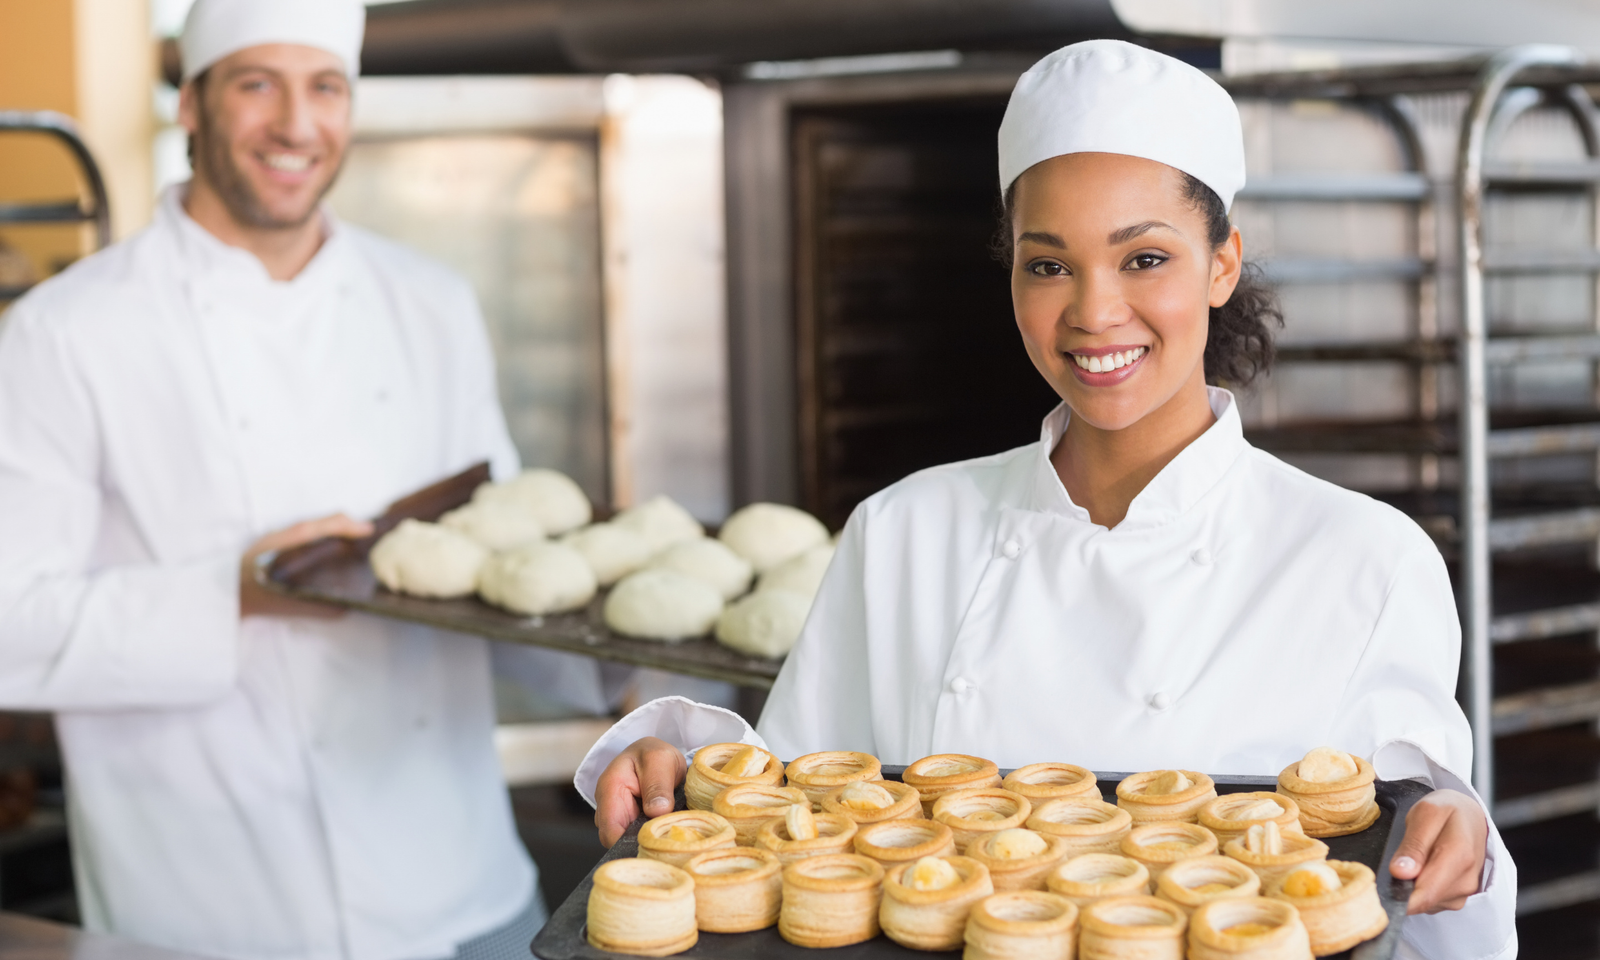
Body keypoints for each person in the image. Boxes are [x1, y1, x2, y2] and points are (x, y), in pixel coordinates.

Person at [580, 40, 1516, 960]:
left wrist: (1454, 837)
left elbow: (1419, 883)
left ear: (1222, 262)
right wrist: (682, 773)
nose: (1093, 312)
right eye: (1048, 264)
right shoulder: (906, 529)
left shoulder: (1362, 557)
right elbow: (792, 828)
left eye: (1144, 258)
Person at [0, 1, 610, 957]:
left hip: (463, 892)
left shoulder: (429, 303)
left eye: (325, 86)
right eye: (256, 84)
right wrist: (231, 595)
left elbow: (494, 571)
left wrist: (627, 657)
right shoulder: (65, 333)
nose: (296, 124)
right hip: (212, 911)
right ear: (192, 104)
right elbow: (9, 624)